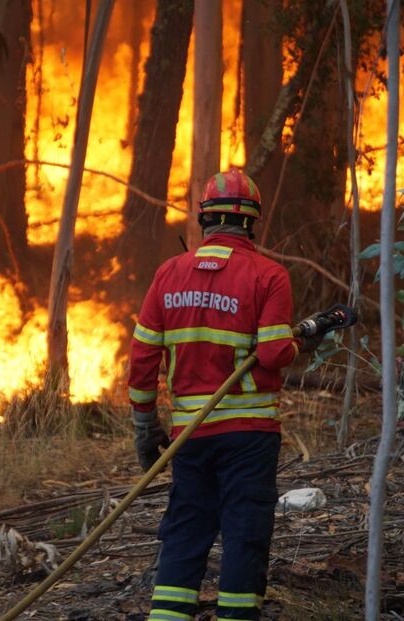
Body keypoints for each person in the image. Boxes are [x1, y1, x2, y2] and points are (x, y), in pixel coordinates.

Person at [127, 169, 305, 621]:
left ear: (205, 219)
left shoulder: (169, 274)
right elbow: (272, 354)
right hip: (249, 437)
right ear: (251, 223)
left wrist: (145, 426)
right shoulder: (269, 275)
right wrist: (300, 342)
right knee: (244, 532)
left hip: (191, 437)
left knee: (186, 529)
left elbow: (143, 356)